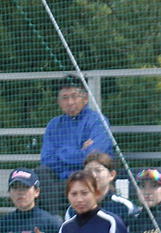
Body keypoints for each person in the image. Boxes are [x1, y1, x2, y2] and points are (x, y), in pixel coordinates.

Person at [37, 78, 113, 217]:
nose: (70, 102)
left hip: (89, 178)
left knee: (91, 168)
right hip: (60, 182)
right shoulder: (54, 125)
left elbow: (94, 156)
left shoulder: (98, 121)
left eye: (74, 96)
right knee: (40, 172)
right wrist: (81, 152)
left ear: (85, 98)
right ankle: (57, 222)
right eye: (65, 98)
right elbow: (47, 160)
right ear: (59, 102)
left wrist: (61, 152)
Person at [65, 152, 135, 224]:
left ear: (111, 175)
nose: (93, 175)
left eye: (98, 170)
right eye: (88, 171)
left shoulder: (125, 206)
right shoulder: (73, 210)